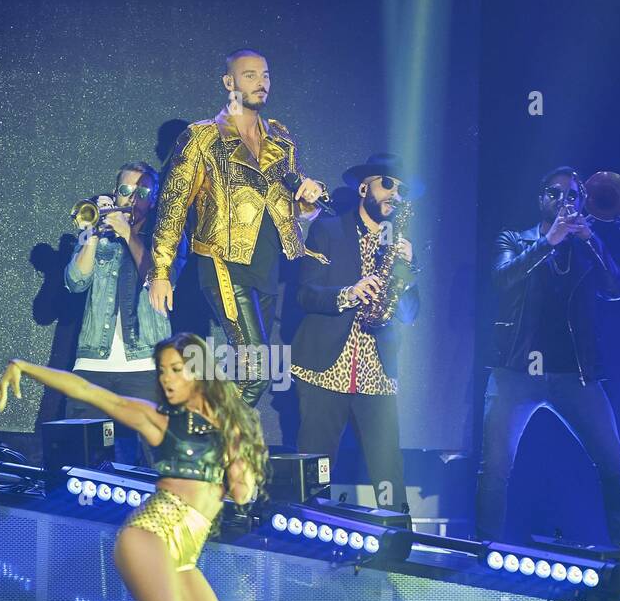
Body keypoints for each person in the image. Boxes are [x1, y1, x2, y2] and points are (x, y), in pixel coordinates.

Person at [0, 331, 266, 601]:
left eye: (177, 369)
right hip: (149, 535)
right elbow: (88, 389)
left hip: (185, 552)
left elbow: (243, 492)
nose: (167, 379)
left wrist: (237, 444)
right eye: (162, 372)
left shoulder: (227, 427)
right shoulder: (159, 420)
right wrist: (24, 367)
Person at [475, 166, 620, 562]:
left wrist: (592, 240)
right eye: (555, 193)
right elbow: (502, 279)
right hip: (515, 373)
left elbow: (616, 289)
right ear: (541, 199)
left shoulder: (586, 246)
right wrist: (549, 241)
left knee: (616, 464)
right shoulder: (514, 239)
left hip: (574, 376)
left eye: (572, 195)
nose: (564, 201)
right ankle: (482, 553)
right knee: (495, 468)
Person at [148, 49, 328, 406]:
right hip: (223, 263)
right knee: (258, 371)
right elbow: (173, 205)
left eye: (265, 75)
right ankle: (212, 443)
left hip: (267, 264)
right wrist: (160, 271)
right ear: (229, 83)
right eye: (250, 75)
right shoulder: (202, 137)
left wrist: (307, 198)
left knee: (251, 372)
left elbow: (288, 200)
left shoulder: (280, 136)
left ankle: (213, 440)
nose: (261, 83)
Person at [291, 152, 420, 509]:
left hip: (377, 373)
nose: (395, 193)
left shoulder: (401, 248)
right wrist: (348, 293)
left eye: (403, 189)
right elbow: (304, 293)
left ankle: (396, 552)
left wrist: (408, 271)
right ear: (364, 187)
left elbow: (410, 314)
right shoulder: (327, 230)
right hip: (324, 369)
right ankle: (305, 545)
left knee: (389, 473)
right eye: (388, 184)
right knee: (314, 469)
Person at [64, 161, 173, 465]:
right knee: (79, 459)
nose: (132, 198)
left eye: (142, 192)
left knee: (157, 462)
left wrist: (129, 235)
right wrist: (93, 234)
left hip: (145, 365)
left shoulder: (166, 240)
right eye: (126, 190)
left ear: (153, 199)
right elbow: (75, 281)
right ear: (116, 194)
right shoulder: (98, 236)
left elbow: (160, 281)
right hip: (92, 362)